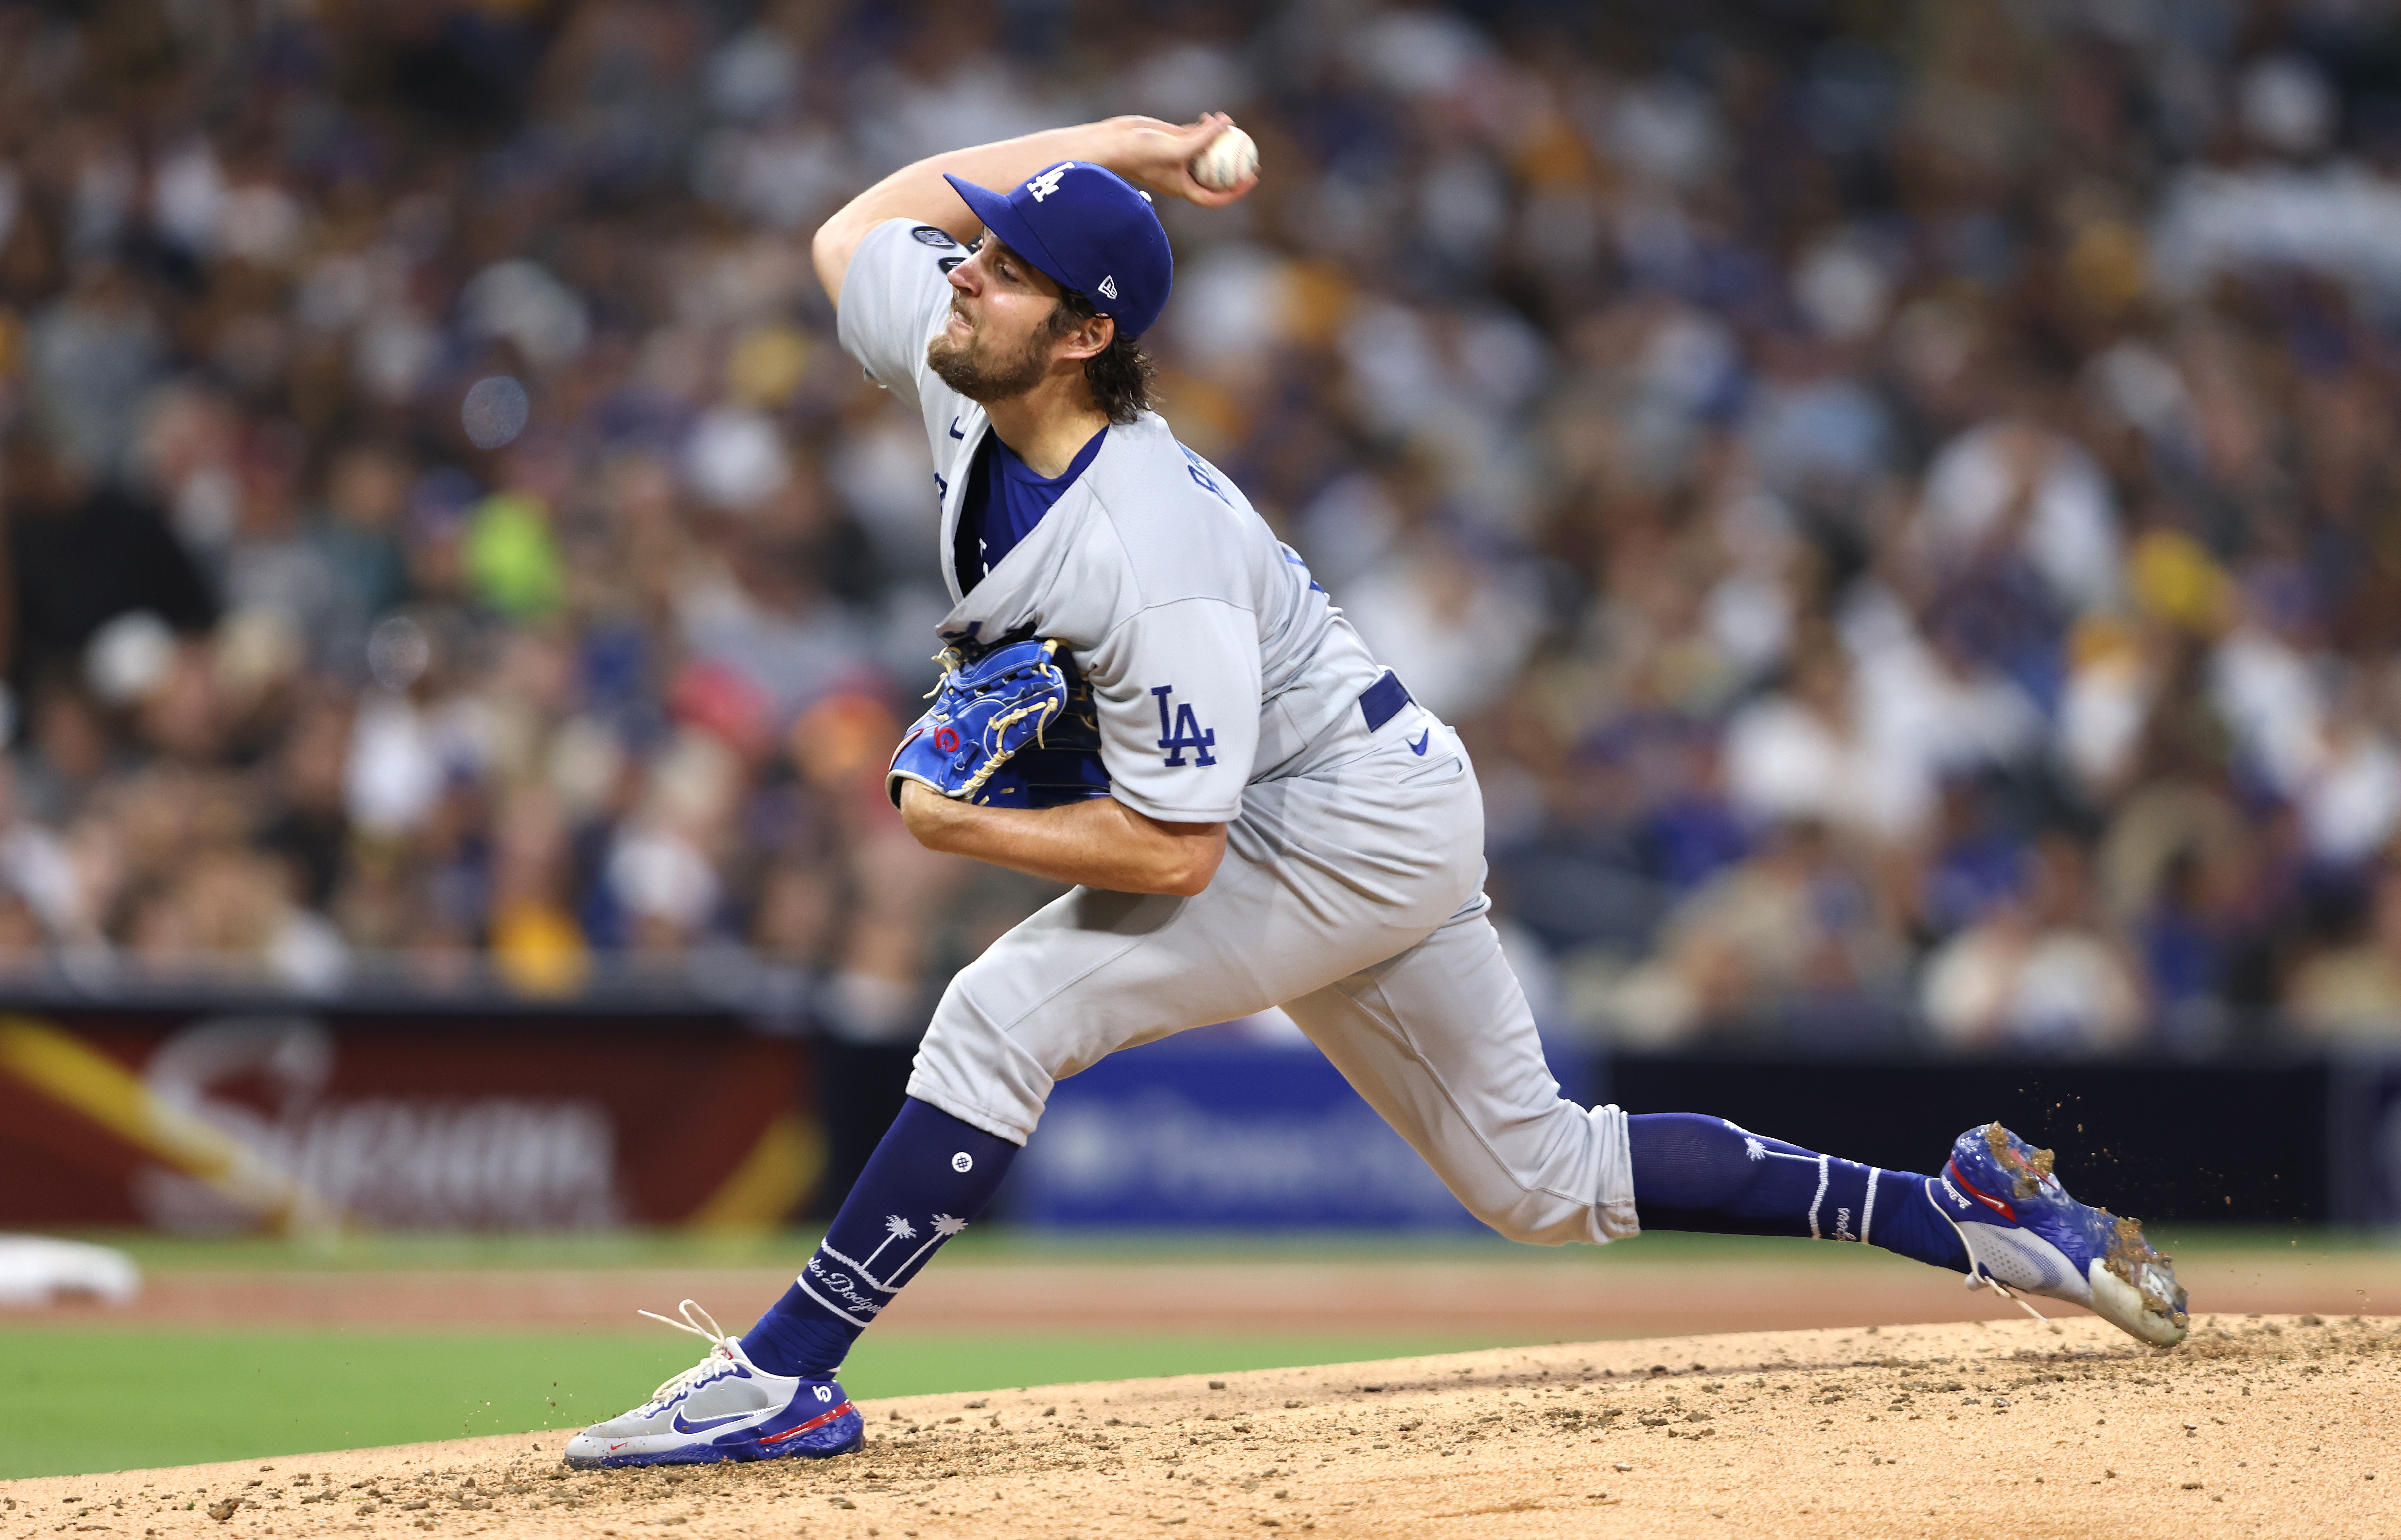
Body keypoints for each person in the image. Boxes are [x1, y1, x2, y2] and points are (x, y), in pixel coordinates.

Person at [562, 115, 2189, 1469]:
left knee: (1004, 1009)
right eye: (980, 249)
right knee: (1540, 1180)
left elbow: (1179, 854)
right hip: (1354, 786)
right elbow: (860, 222)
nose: (962, 269)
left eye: (1004, 265)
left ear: (1083, 336)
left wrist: (952, 823)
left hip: (1330, 820)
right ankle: (1963, 1209)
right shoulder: (964, 365)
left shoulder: (1153, 551)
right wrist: (1119, 148)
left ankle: (784, 1374)